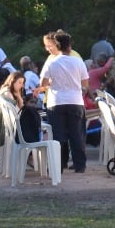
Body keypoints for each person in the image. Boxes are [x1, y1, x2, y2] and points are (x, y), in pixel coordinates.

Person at [36, 30, 89, 173]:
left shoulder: (51, 63)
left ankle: (58, 165)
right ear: (69, 46)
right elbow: (85, 83)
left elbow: (43, 83)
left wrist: (52, 82)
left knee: (58, 135)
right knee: (76, 134)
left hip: (56, 101)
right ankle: (80, 165)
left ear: (57, 46)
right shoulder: (78, 61)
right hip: (75, 101)